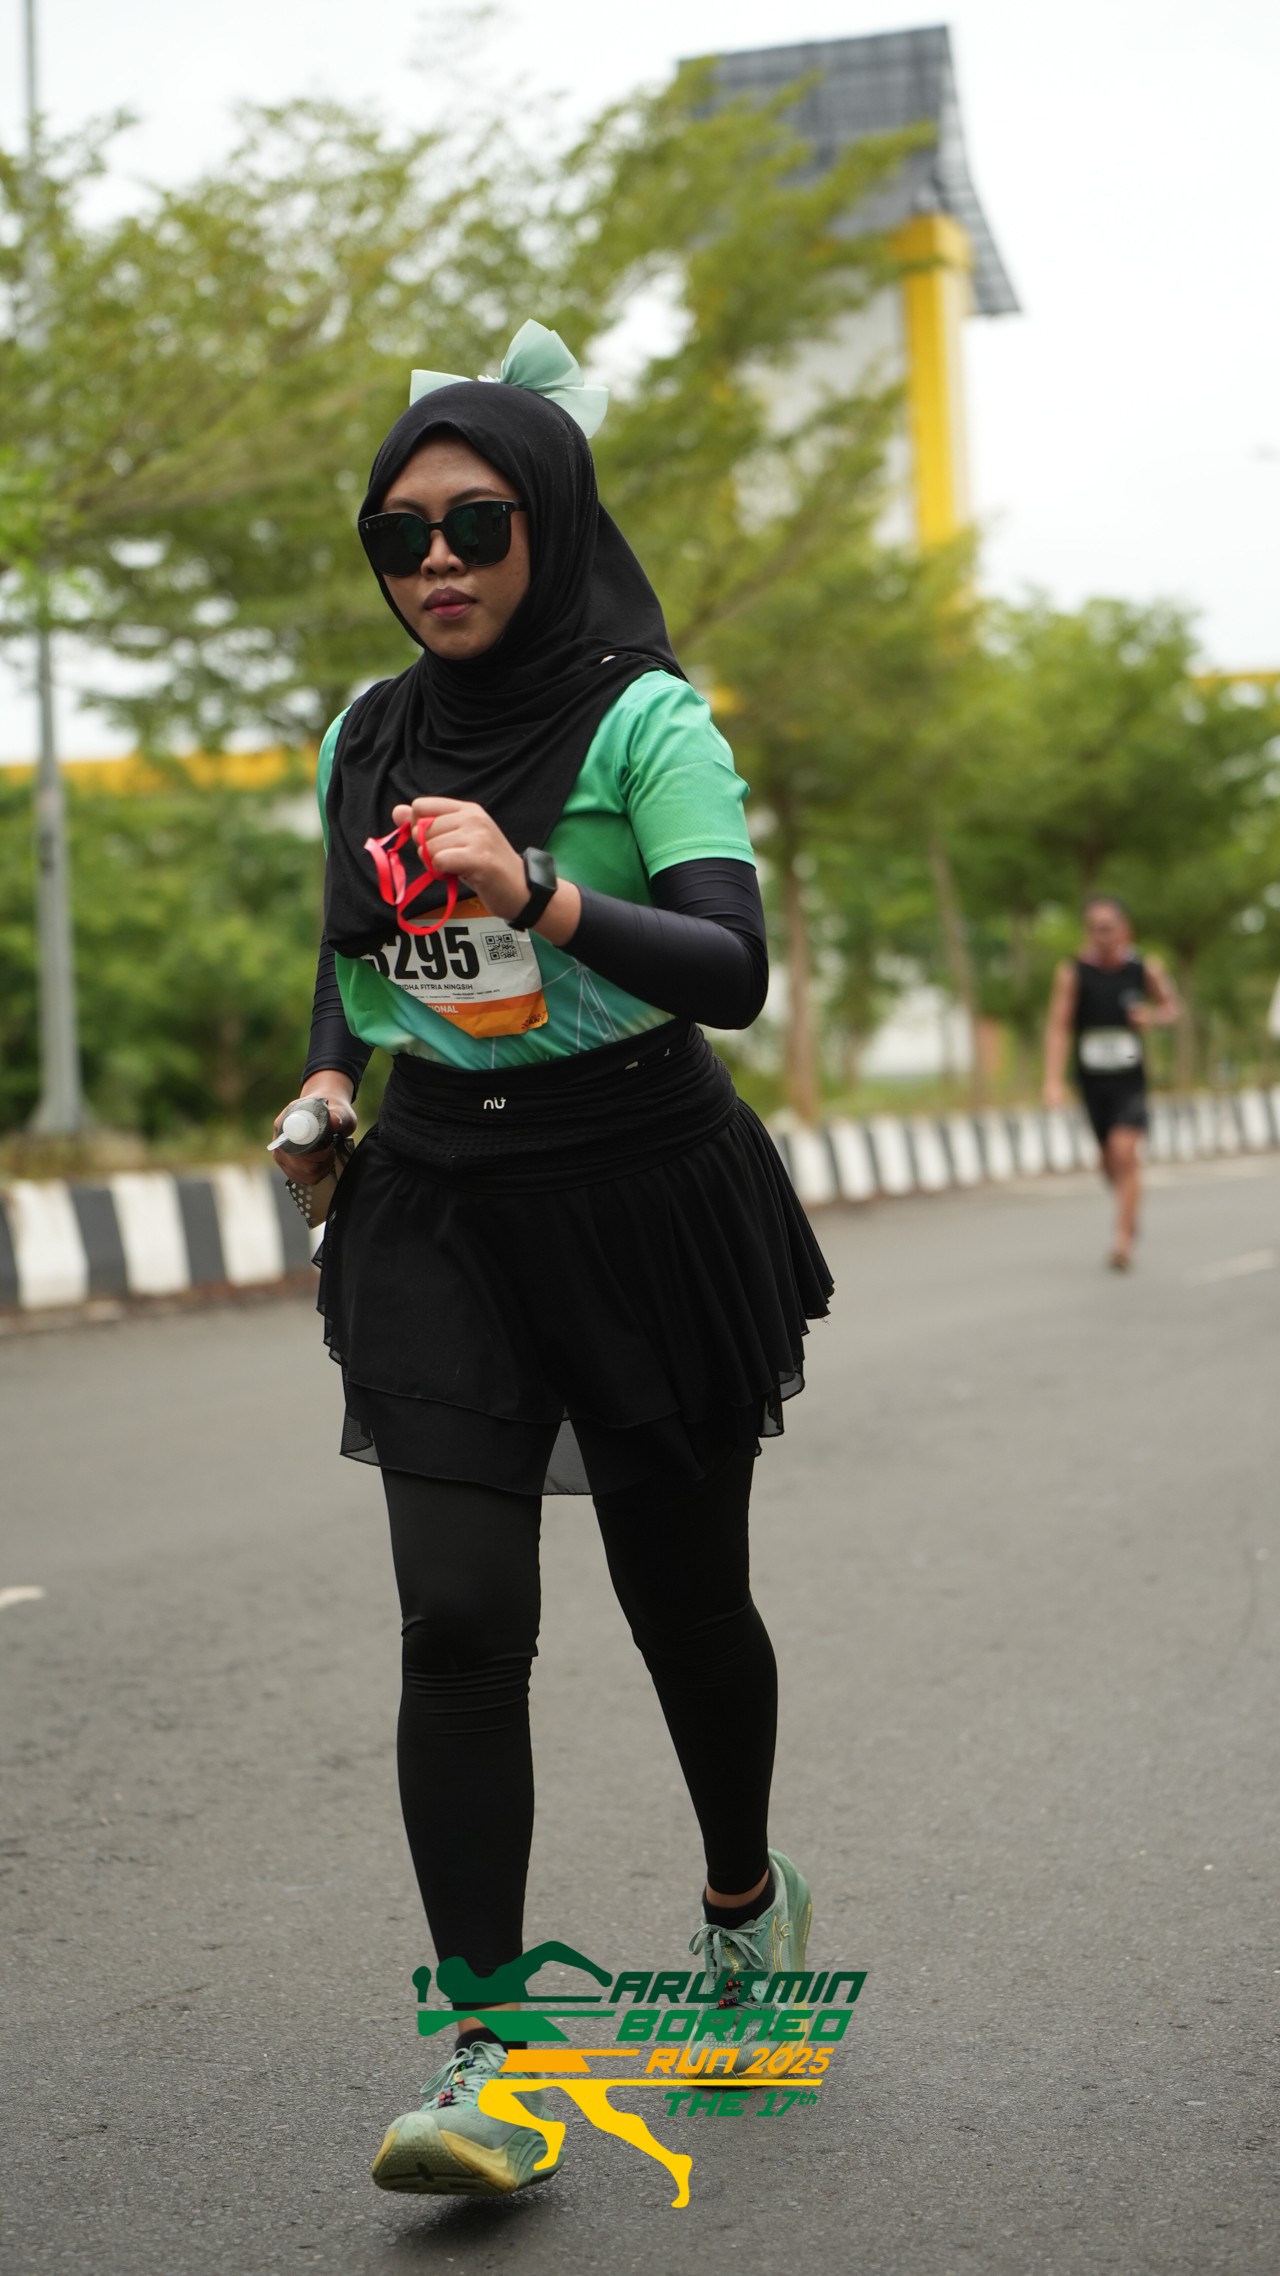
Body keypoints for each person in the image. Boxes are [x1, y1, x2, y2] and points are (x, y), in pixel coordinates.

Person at [270, 323, 832, 2198]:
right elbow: (353, 948)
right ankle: (498, 2056)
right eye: (398, 535)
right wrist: (333, 1080)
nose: (435, 562)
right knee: (457, 1621)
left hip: (642, 1193)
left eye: (476, 524)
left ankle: (744, 1906)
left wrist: (543, 889)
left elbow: (731, 965)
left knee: (683, 1601)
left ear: (553, 522)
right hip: (438, 1205)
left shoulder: (644, 720)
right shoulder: (368, 732)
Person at [1043, 894, 1180, 1270]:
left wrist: (1153, 1016)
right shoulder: (1073, 972)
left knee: (1125, 1151)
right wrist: (1052, 1080)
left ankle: (1123, 1240)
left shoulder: (1145, 968)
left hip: (1129, 1077)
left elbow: (1172, 1008)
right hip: (1091, 1080)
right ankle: (1128, 1206)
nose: (1100, 936)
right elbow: (1058, 1026)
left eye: (1107, 928)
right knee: (1107, 1163)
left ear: (1124, 930)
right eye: (1093, 929)